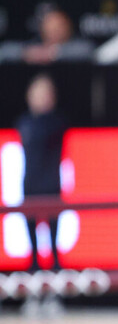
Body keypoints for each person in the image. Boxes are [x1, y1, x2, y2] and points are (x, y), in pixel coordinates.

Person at [16, 74, 67, 274]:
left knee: (54, 252)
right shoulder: (24, 122)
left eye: (46, 94)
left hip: (52, 187)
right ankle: (34, 291)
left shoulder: (57, 122)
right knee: (33, 254)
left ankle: (56, 294)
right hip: (29, 187)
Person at [8, 8, 96, 64]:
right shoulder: (34, 44)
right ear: (42, 30)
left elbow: (88, 50)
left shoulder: (78, 46)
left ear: (68, 28)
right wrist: (27, 53)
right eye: (51, 28)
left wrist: (52, 53)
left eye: (59, 27)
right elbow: (5, 51)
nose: (55, 32)